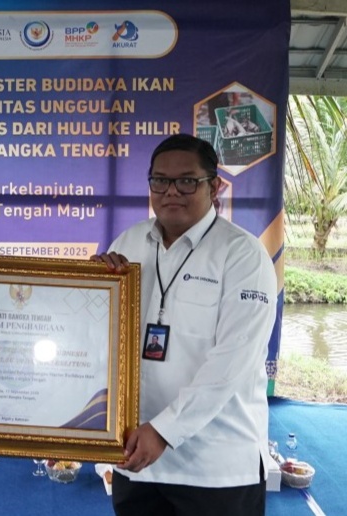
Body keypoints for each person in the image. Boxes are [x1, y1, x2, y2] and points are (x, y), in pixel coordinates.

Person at [92, 134, 277, 516]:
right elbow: (104, 339)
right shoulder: (128, 243)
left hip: (217, 467)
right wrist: (91, 293)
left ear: (215, 186)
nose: (171, 191)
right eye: (160, 180)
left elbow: (232, 361)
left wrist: (165, 430)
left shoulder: (243, 255)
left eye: (187, 181)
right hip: (137, 458)